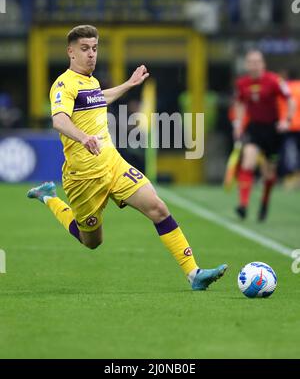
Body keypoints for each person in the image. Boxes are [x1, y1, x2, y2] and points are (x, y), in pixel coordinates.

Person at [27, 25, 227, 290]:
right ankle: (49, 197)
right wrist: (83, 137)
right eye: (85, 49)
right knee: (91, 242)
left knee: (158, 208)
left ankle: (194, 274)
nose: (91, 55)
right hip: (84, 178)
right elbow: (60, 120)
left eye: (95, 49)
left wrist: (130, 84)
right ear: (70, 52)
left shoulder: (92, 82)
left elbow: (99, 98)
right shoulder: (63, 84)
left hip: (112, 163)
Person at [232, 50, 294, 221]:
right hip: (254, 129)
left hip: (272, 131)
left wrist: (286, 121)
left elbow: (290, 100)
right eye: (250, 62)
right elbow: (240, 104)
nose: (254, 65)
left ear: (263, 64)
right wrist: (238, 125)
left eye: (257, 61)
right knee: (248, 162)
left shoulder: (274, 81)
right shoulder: (242, 84)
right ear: (246, 64)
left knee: (269, 173)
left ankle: (264, 203)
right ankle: (243, 205)